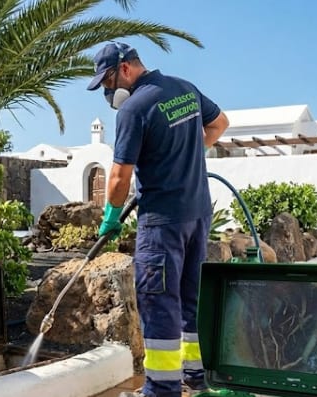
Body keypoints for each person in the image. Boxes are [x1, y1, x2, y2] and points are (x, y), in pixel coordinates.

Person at [86, 42, 229, 397]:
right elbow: (219, 124)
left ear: (124, 69)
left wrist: (111, 216)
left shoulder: (134, 108)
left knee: (158, 301)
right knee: (190, 298)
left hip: (163, 221)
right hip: (197, 214)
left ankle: (162, 389)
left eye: (107, 81)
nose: (107, 92)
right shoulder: (185, 89)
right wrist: (187, 154)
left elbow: (119, 177)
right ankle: (196, 378)